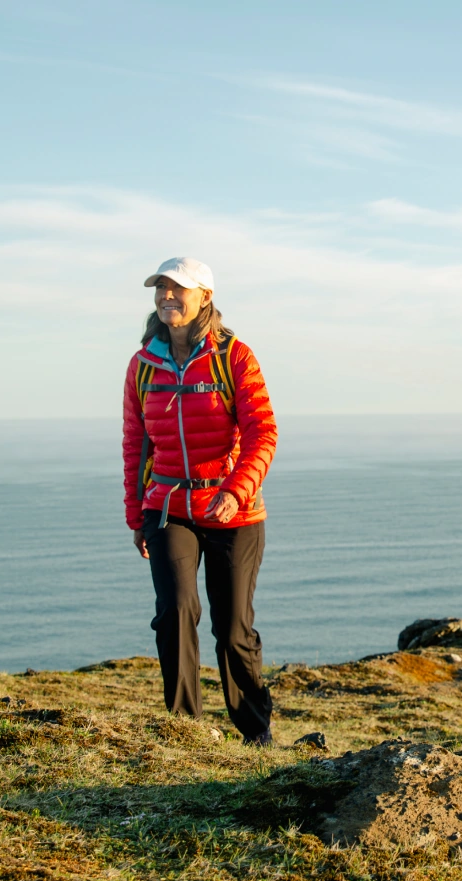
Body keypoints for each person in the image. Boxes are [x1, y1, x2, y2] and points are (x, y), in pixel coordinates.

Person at [122, 256, 279, 746]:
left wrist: (235, 490)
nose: (167, 296)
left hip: (234, 511)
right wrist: (136, 517)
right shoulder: (143, 364)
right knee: (175, 611)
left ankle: (255, 732)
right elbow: (135, 443)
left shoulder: (235, 356)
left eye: (178, 289)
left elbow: (263, 433)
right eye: (161, 289)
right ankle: (185, 729)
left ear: (205, 297)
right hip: (168, 510)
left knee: (233, 630)